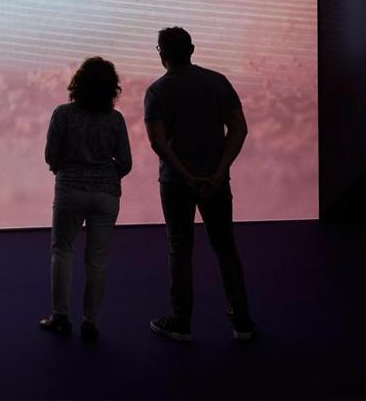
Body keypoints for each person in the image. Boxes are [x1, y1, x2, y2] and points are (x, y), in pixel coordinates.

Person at [144, 27, 256, 342]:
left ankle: (181, 321)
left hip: (176, 182)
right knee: (225, 248)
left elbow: (158, 143)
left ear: (161, 53)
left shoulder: (157, 91)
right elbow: (238, 128)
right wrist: (220, 170)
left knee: (180, 247)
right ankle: (242, 321)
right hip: (216, 181)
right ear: (192, 49)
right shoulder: (217, 82)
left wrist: (184, 173)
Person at [40, 56, 132, 342]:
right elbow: (126, 162)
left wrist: (63, 169)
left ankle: (60, 316)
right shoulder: (115, 119)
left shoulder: (63, 114)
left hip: (70, 189)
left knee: (62, 252)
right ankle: (90, 322)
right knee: (97, 260)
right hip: (106, 194)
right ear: (111, 89)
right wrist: (108, 174)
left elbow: (50, 155)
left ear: (78, 83)